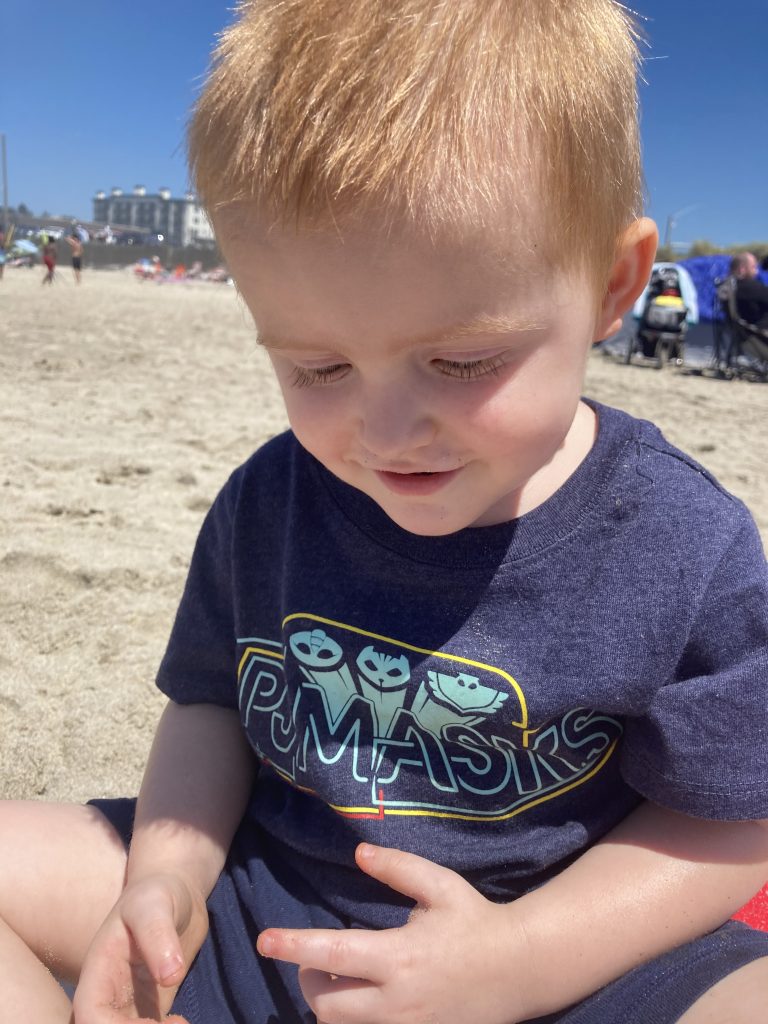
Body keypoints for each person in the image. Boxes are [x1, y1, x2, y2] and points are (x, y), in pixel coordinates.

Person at [2, 3, 767, 1023]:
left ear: (612, 285)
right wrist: (165, 878)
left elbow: (729, 822)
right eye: (318, 366)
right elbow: (209, 708)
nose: (387, 429)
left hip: (567, 949)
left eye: (462, 360)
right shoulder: (267, 502)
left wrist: (520, 962)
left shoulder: (683, 542)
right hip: (267, 908)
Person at [730, 251, 768, 330]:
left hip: (745, 335)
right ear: (742, 269)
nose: (756, 272)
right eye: (753, 267)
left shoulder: (729, 287)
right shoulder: (751, 288)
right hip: (760, 336)